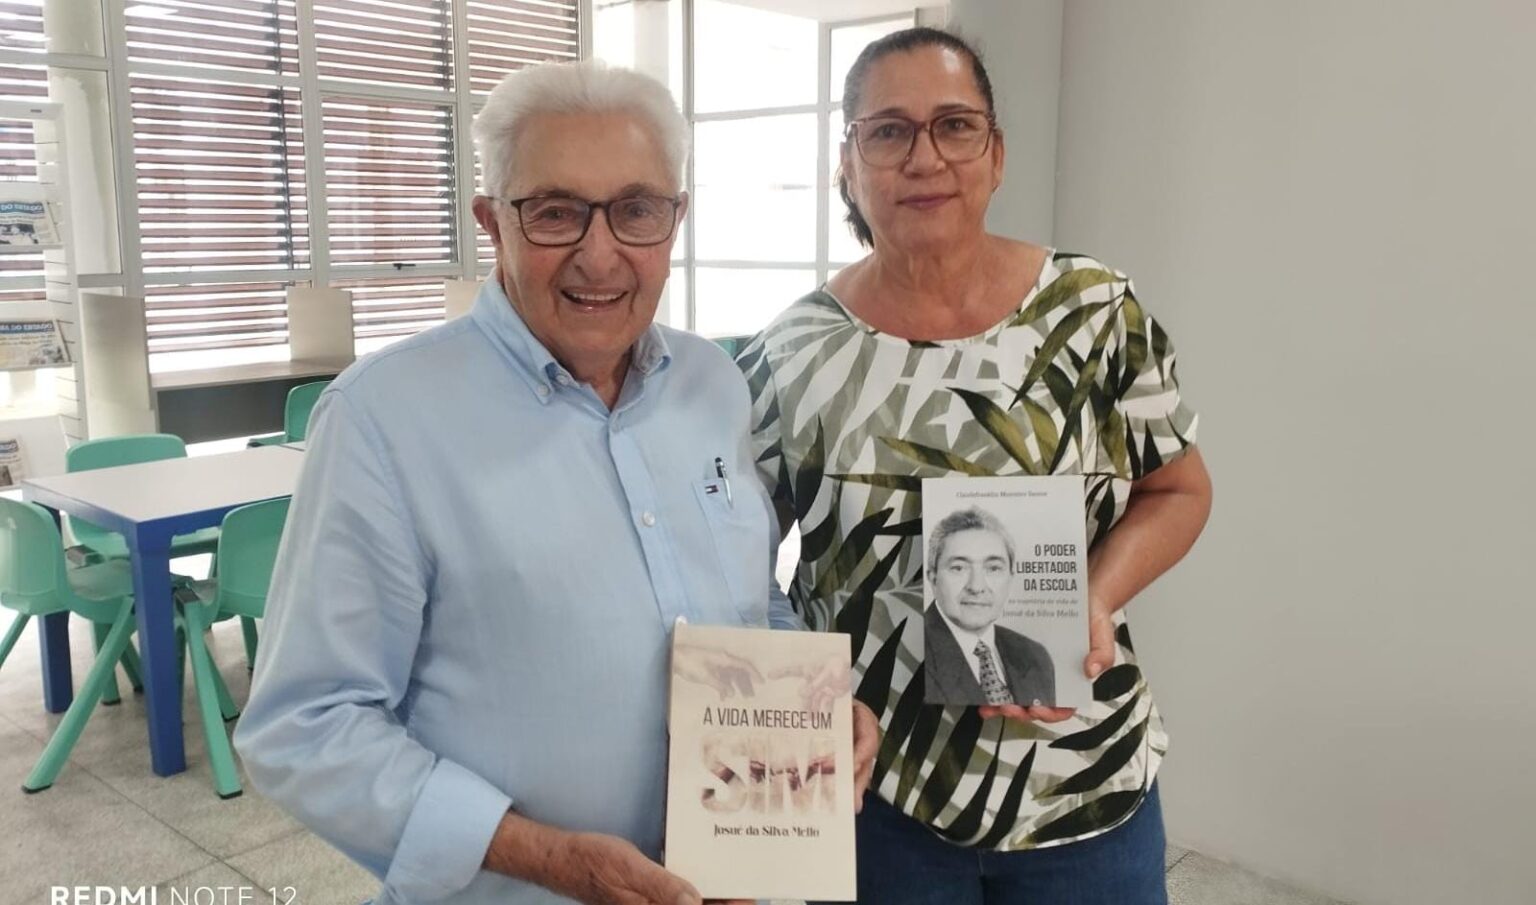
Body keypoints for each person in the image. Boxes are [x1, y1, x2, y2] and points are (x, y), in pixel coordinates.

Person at [234, 60, 876, 905]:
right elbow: (307, 726)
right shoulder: (383, 420)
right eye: (555, 212)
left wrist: (814, 706)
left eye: (636, 210)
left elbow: (751, 602)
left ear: (675, 220)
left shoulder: (713, 385)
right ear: (492, 223)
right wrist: (550, 858)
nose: (599, 255)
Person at [736, 27, 1213, 905]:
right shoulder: (791, 352)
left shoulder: (1094, 312)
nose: (925, 158)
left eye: (955, 126)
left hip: (1083, 784)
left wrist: (1095, 595)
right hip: (875, 798)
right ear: (847, 163)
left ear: (996, 155)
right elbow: (732, 553)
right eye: (888, 131)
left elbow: (1179, 489)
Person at [923, 507, 1055, 707]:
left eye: (993, 568)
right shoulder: (914, 653)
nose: (976, 587)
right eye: (958, 568)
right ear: (933, 578)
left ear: (1010, 578)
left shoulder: (1035, 656)